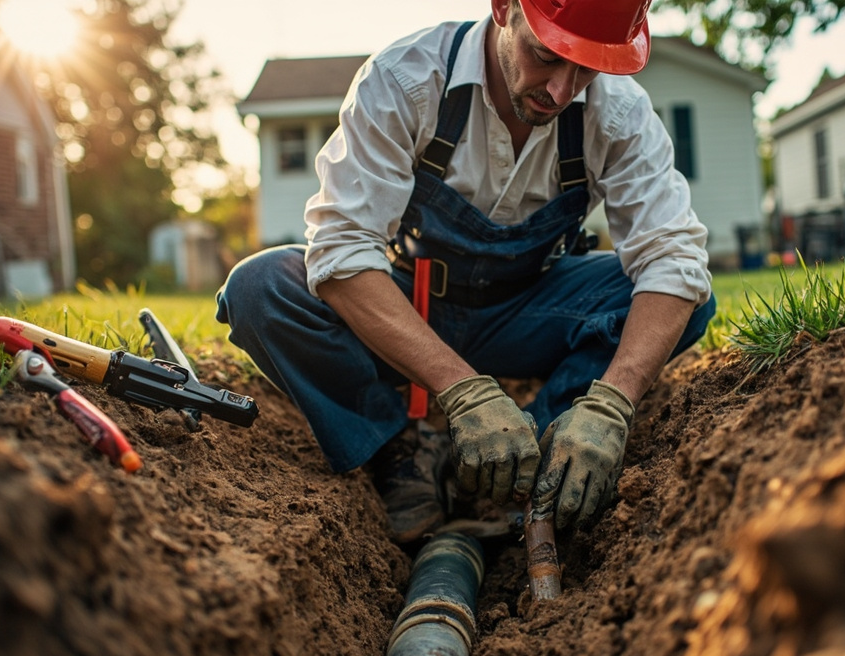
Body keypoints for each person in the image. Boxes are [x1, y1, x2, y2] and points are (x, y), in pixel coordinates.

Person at [217, 0, 716, 544]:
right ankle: (401, 453)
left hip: (527, 312)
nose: (561, 90)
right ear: (504, 8)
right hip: (413, 306)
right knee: (260, 288)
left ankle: (541, 455)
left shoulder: (618, 114)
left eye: (587, 68)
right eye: (546, 55)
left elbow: (673, 258)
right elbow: (342, 251)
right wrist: (462, 391)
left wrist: (613, 402)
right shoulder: (407, 80)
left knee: (681, 301)